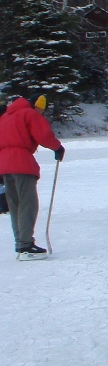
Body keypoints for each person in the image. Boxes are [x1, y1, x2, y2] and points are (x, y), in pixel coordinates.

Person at [0, 94, 65, 260]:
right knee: (27, 204)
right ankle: (26, 245)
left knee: (14, 204)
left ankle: (20, 243)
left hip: (4, 165)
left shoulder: (6, 116)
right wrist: (57, 147)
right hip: (21, 162)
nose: (40, 113)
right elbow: (43, 134)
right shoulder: (29, 114)